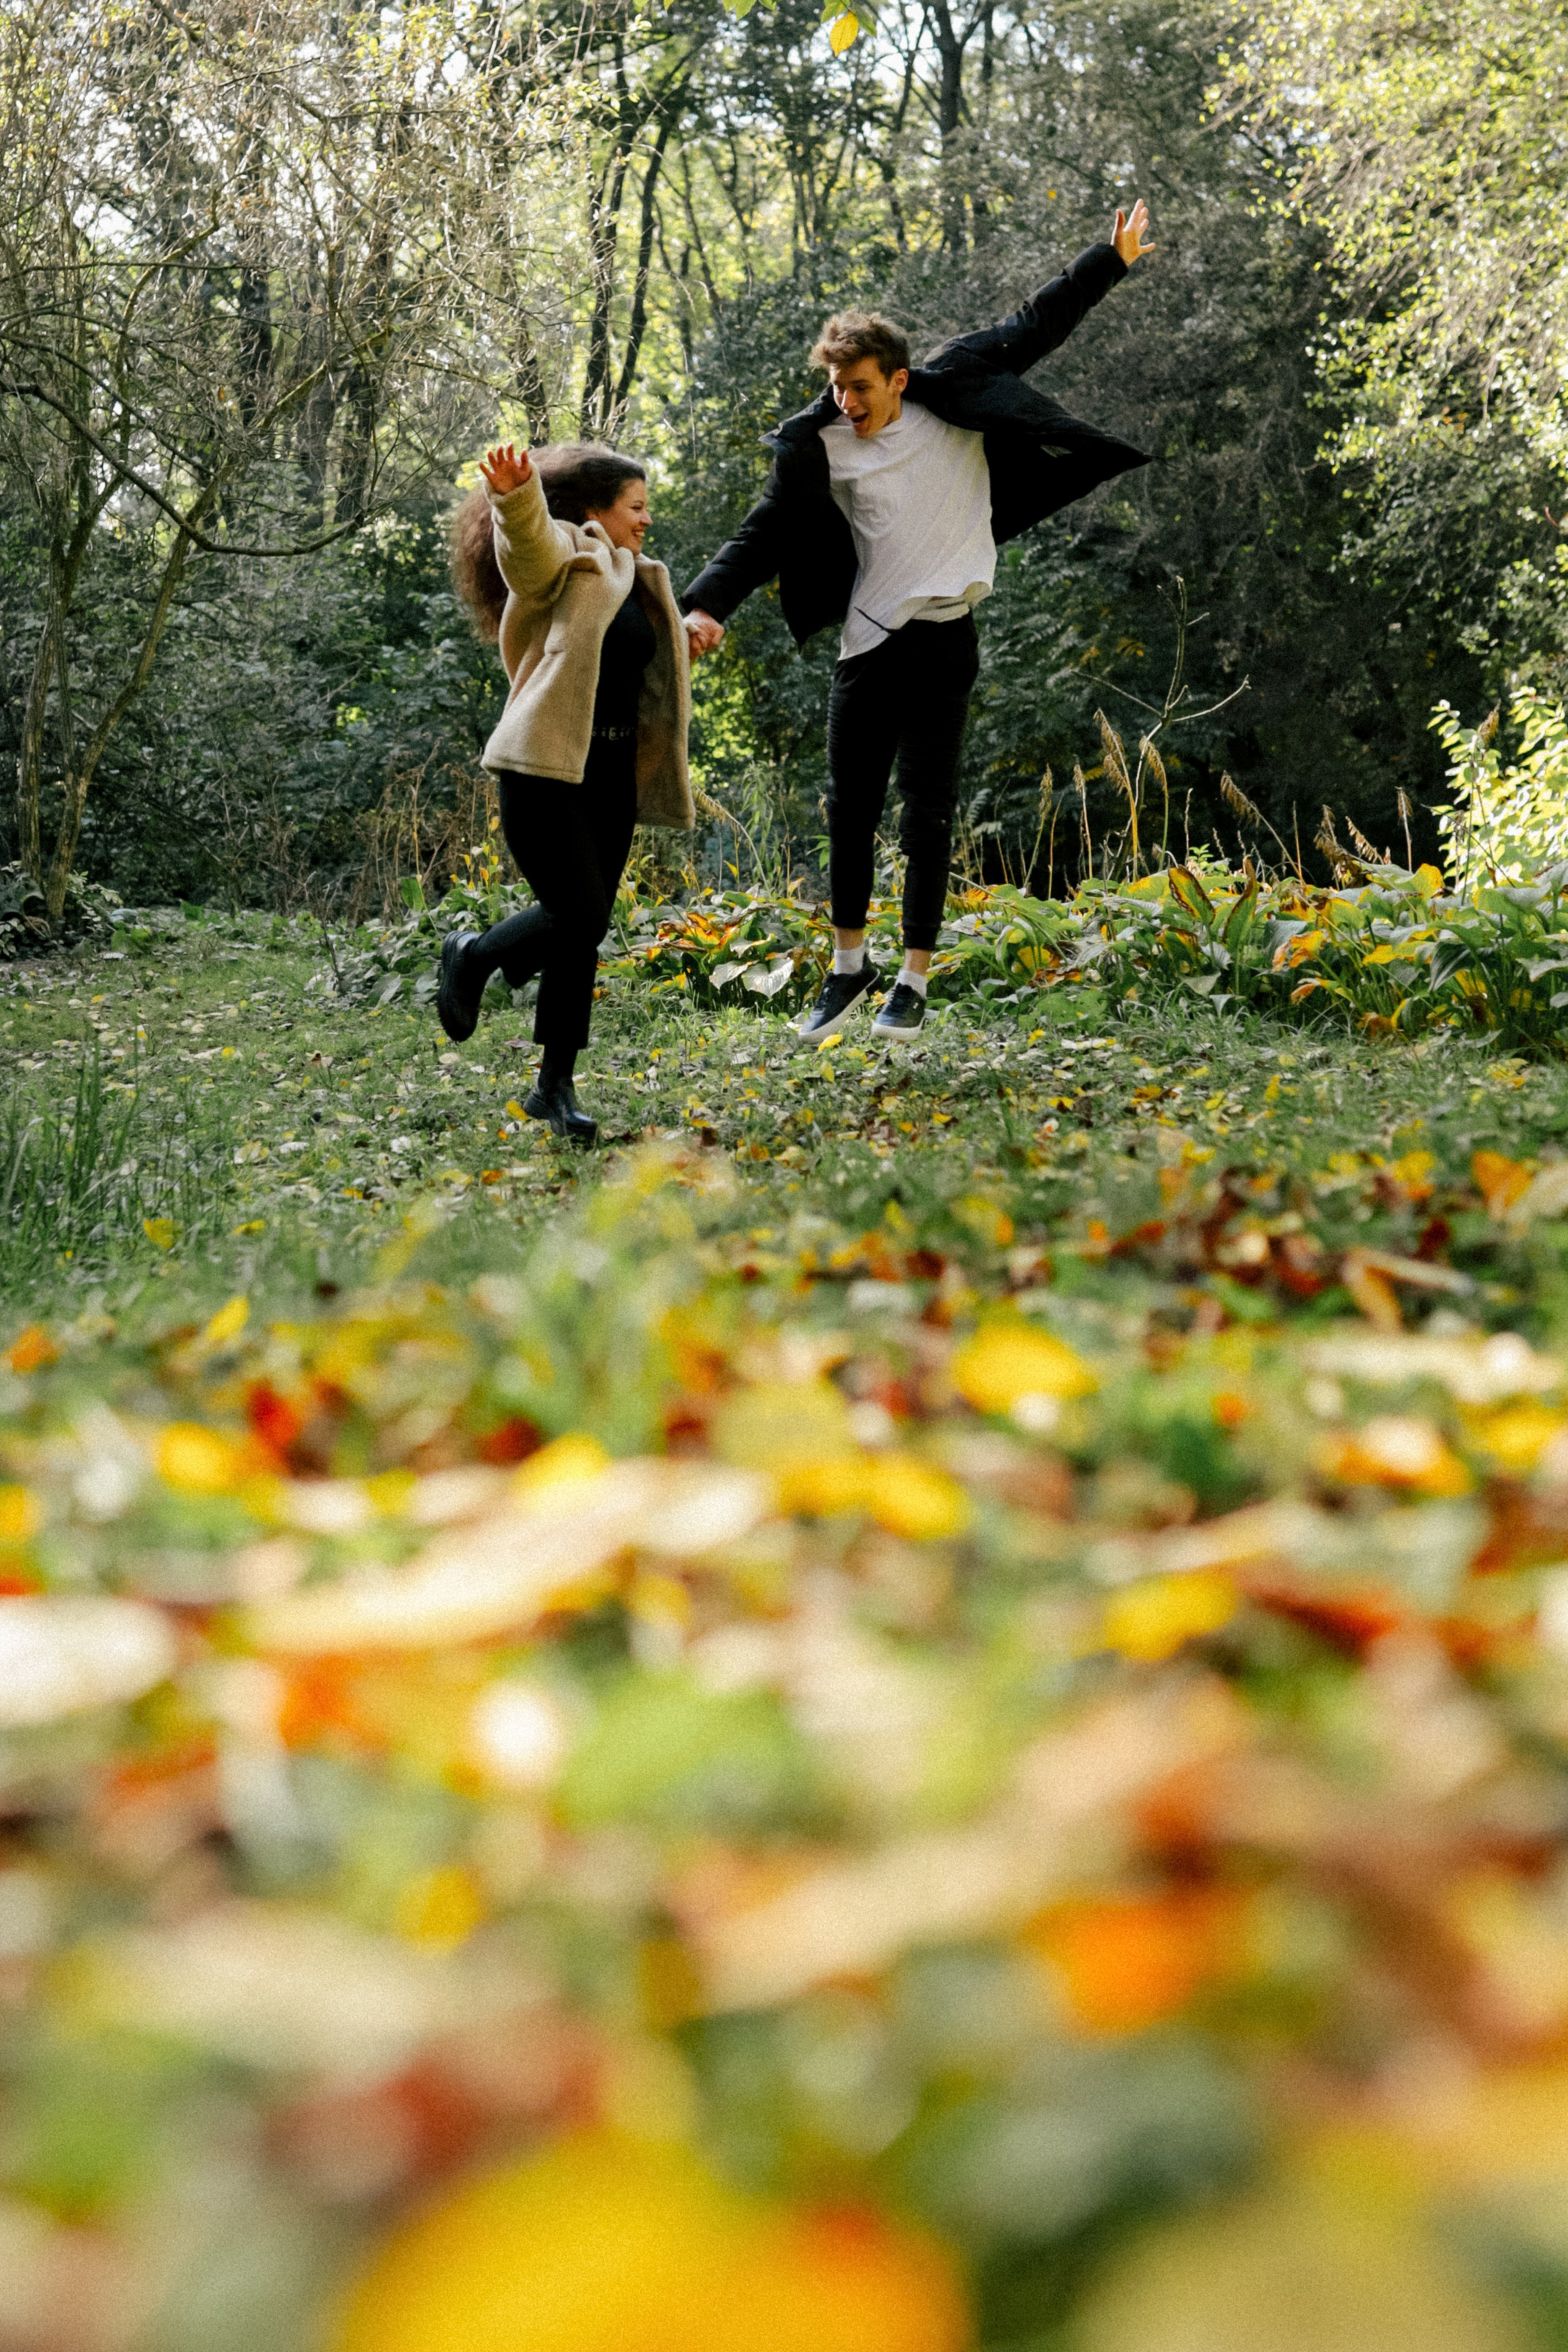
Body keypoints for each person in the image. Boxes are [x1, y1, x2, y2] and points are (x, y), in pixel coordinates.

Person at [684, 200, 1156, 1044]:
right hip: (869, 645)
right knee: (849, 811)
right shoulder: (819, 444)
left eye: (859, 387)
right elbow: (765, 534)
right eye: (835, 386)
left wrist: (1109, 261)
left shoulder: (957, 387)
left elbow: (1035, 325)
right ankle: (846, 968)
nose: (846, 401)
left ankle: (912, 978)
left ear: (898, 378)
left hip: (947, 640)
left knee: (928, 813)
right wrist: (704, 604)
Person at [442, 440, 698, 1145]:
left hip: (610, 779)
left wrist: (685, 635)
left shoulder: (635, 577)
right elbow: (528, 551)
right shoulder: (570, 557)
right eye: (636, 507)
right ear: (594, 511)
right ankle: (474, 955)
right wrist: (516, 495)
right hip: (546, 771)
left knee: (582, 931)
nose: (647, 521)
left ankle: (552, 1088)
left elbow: (628, 659)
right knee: (578, 912)